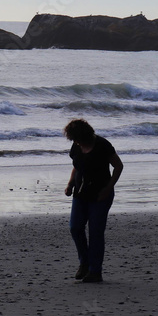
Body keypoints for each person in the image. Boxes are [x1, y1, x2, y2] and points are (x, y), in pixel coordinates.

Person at [63, 119, 123, 283]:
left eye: (77, 139)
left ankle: (95, 272)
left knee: (96, 232)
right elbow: (77, 166)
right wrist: (70, 184)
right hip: (80, 193)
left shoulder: (103, 145)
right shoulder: (76, 146)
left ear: (85, 136)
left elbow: (118, 166)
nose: (75, 142)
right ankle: (85, 263)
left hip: (100, 194)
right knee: (75, 227)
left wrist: (108, 188)